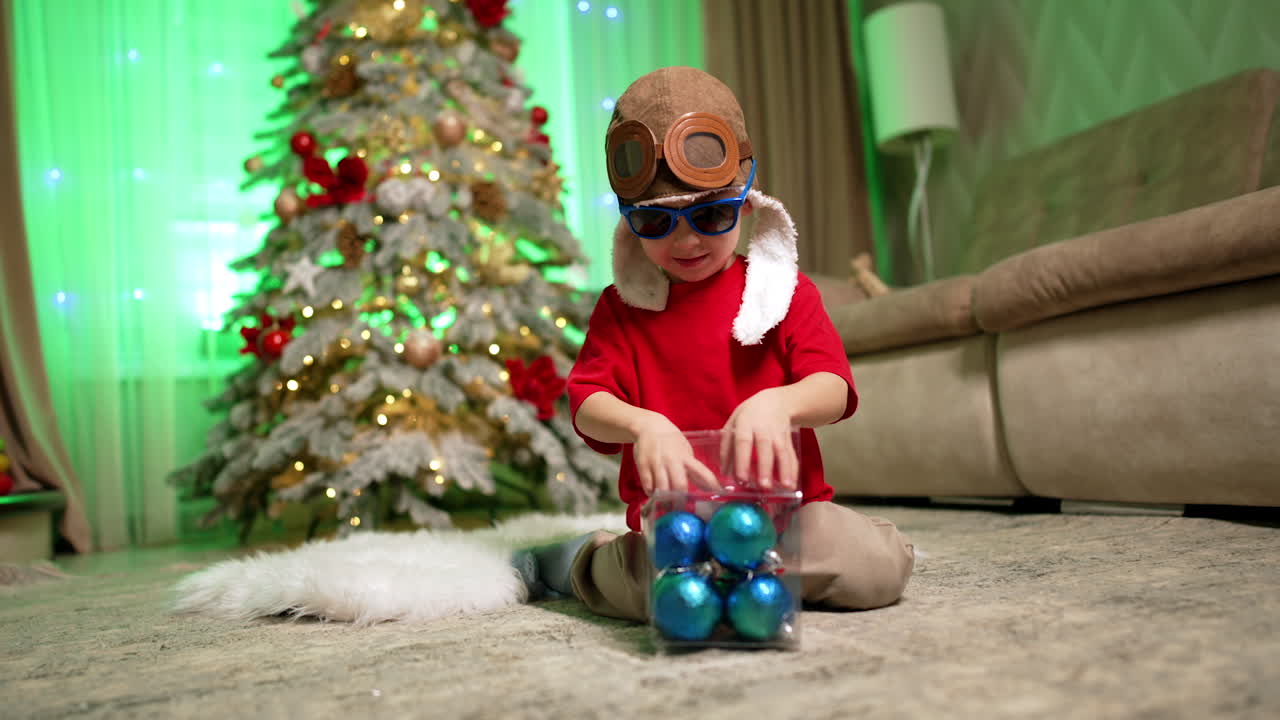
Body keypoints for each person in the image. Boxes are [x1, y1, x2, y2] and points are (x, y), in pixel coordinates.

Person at [515, 67, 914, 621]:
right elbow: (587, 403)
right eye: (658, 222)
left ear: (745, 205)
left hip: (784, 516)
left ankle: (853, 545)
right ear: (630, 224)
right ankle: (581, 561)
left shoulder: (782, 291)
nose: (687, 239)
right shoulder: (623, 308)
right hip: (678, 524)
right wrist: (642, 425)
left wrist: (780, 402)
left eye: (710, 214)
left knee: (873, 571)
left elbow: (834, 387)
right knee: (651, 589)